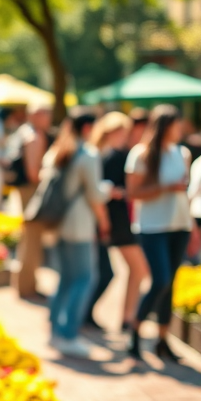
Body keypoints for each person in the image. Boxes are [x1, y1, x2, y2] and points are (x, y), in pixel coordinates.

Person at [125, 105, 192, 363]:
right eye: (176, 125)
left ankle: (163, 339)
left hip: (179, 225)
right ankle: (136, 328)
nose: (180, 129)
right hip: (152, 227)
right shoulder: (140, 154)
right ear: (165, 126)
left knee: (171, 283)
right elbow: (134, 193)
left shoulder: (181, 153)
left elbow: (184, 195)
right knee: (160, 280)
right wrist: (165, 188)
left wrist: (193, 227)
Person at [41, 112, 109, 358]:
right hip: (79, 225)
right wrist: (104, 220)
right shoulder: (87, 154)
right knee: (84, 278)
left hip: (56, 223)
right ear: (88, 127)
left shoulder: (57, 151)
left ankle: (56, 331)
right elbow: (95, 195)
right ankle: (68, 334)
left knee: (66, 278)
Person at [84, 112, 148, 334]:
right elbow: (102, 191)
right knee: (129, 270)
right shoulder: (113, 156)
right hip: (115, 222)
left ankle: (125, 317)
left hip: (112, 221)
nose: (125, 135)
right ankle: (125, 317)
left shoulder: (102, 154)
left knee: (122, 271)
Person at [8, 103, 52, 299]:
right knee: (32, 239)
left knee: (28, 237)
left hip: (24, 190)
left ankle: (26, 283)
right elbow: (34, 173)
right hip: (31, 191)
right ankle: (27, 286)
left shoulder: (24, 132)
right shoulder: (34, 136)